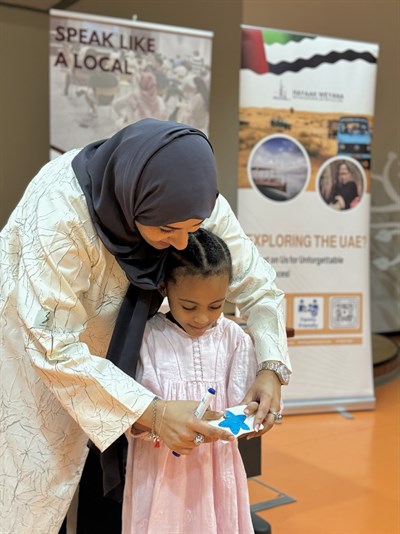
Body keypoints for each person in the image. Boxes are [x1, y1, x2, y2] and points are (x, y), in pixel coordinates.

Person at [0, 118, 291, 534]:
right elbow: (51, 343)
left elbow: (258, 285)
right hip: (34, 365)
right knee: (33, 500)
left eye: (192, 229)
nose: (180, 244)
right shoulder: (60, 212)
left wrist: (271, 367)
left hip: (123, 366)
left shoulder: (192, 199)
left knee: (112, 495)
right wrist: (152, 413)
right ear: (132, 199)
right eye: (166, 229)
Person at [123, 228, 257, 533]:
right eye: (189, 306)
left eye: (215, 306)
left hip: (216, 468)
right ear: (164, 288)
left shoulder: (233, 338)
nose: (202, 318)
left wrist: (254, 416)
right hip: (161, 470)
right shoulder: (147, 337)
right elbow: (130, 414)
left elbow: (245, 406)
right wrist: (159, 422)